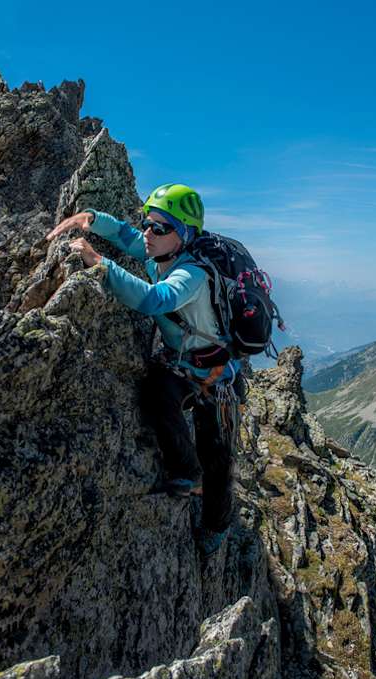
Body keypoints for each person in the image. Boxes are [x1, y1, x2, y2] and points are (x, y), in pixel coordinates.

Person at [47, 184, 238, 556]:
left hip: (216, 377)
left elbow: (155, 300)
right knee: (154, 392)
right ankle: (187, 471)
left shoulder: (193, 275)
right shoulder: (160, 254)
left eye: (160, 228)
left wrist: (100, 263)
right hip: (184, 367)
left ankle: (216, 525)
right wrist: (91, 219)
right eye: (147, 223)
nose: (148, 234)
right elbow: (127, 236)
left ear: (183, 234)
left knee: (217, 459)